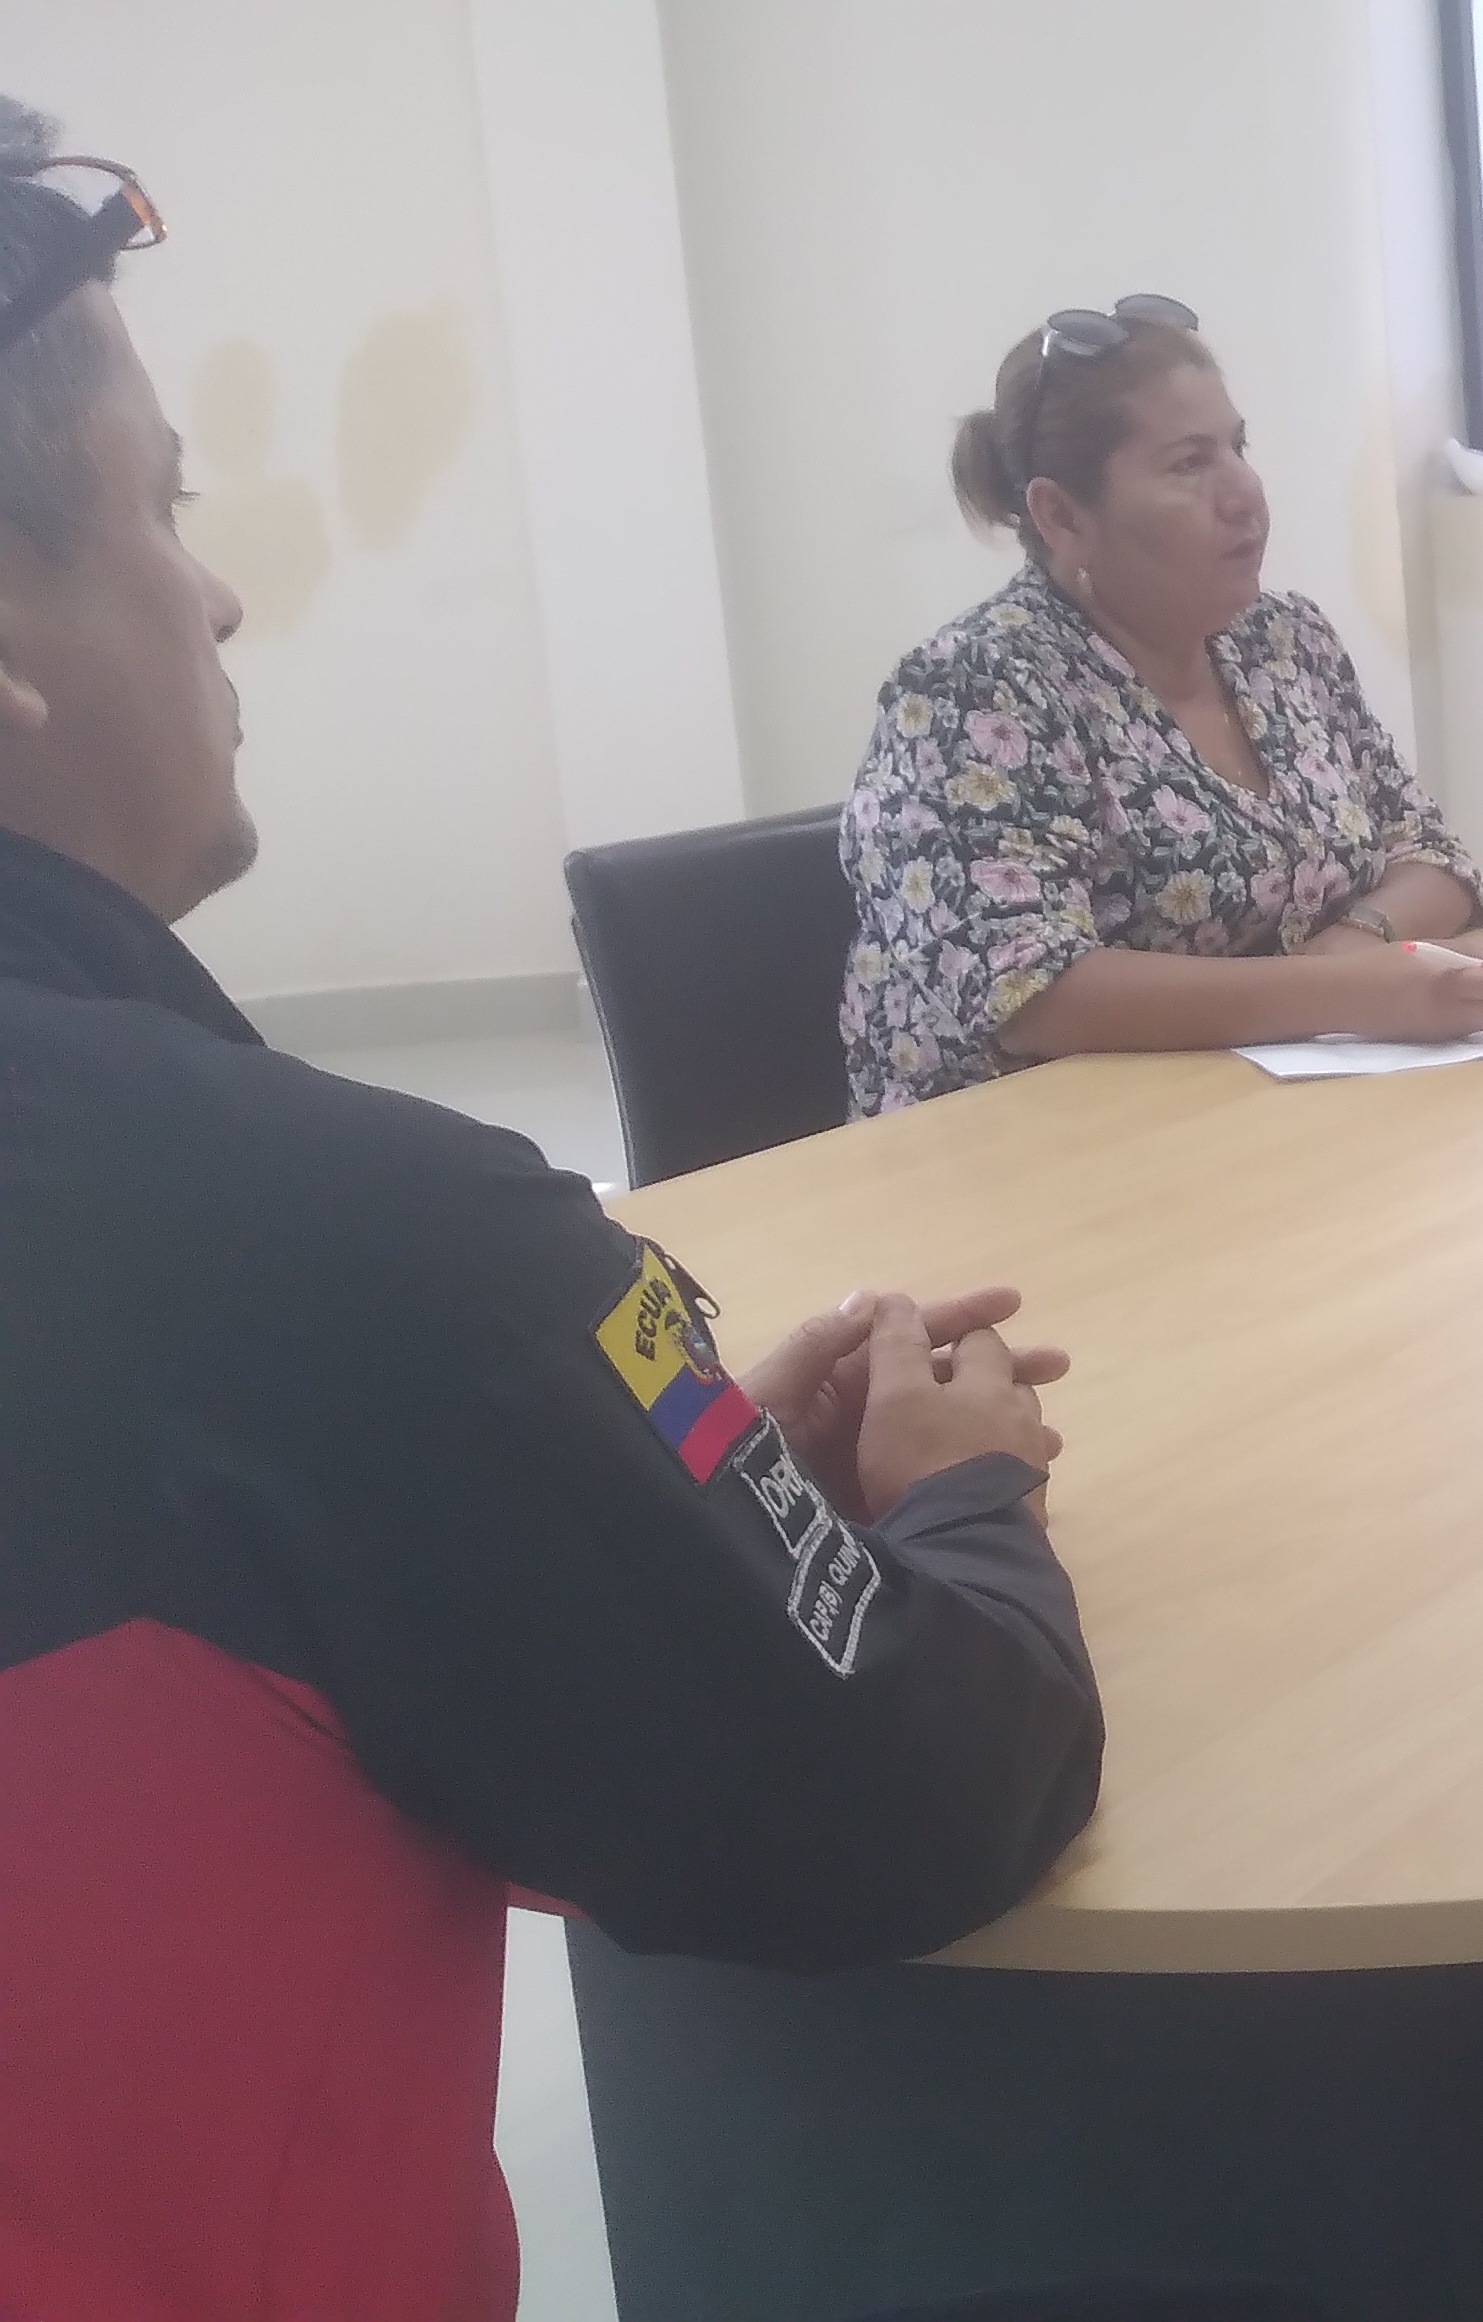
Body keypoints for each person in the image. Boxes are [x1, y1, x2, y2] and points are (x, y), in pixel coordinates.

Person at [0, 105, 1112, 2316]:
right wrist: (960, 1495)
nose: (217, 594)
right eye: (165, 505)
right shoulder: (362, 1253)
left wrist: (641, 1483)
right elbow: (901, 1792)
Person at [841, 294, 1483, 1116]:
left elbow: (1434, 859)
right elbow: (1031, 991)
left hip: (1268, 1111)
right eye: (1189, 465)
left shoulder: (1284, 640)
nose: (1245, 494)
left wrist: (1353, 945)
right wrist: (1346, 994)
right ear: (1062, 515)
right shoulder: (974, 689)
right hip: (1030, 1147)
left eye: (1237, 447)